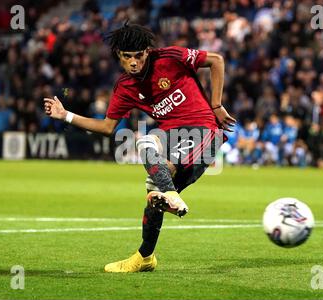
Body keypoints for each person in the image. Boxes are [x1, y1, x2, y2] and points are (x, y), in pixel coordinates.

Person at [43, 23, 236, 272]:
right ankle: (145, 257)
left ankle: (171, 195)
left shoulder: (170, 57)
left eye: (138, 56)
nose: (133, 62)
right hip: (171, 137)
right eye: (127, 57)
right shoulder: (126, 87)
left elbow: (216, 60)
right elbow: (106, 127)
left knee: (158, 186)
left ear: (147, 52)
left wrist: (217, 105)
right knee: (149, 173)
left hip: (204, 132)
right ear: (119, 57)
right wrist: (65, 114)